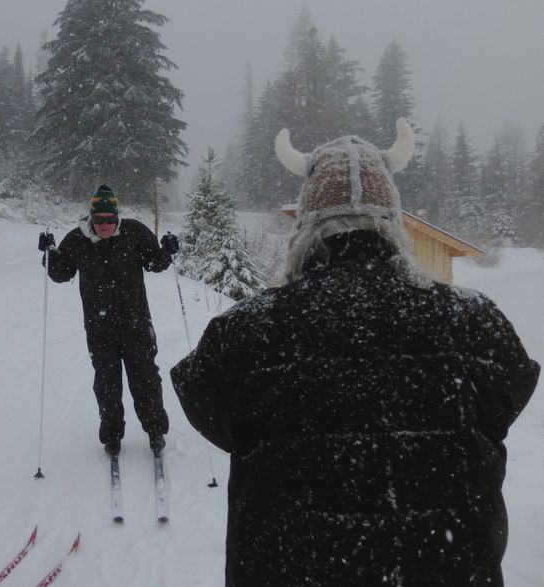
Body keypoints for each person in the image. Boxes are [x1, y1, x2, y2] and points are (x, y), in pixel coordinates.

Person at [170, 120, 540, 586]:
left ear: (306, 226)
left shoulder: (249, 333)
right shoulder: (475, 325)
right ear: (394, 224)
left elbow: (204, 402)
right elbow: (511, 392)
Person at [39, 184, 179, 456]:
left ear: (117, 217)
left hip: (136, 323)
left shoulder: (134, 232)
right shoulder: (77, 240)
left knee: (146, 378)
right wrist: (49, 254)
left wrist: (169, 250)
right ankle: (112, 435)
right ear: (91, 218)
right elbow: (61, 273)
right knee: (106, 382)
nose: (105, 225)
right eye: (99, 220)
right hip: (99, 327)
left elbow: (155, 263)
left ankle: (155, 431)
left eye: (110, 219)